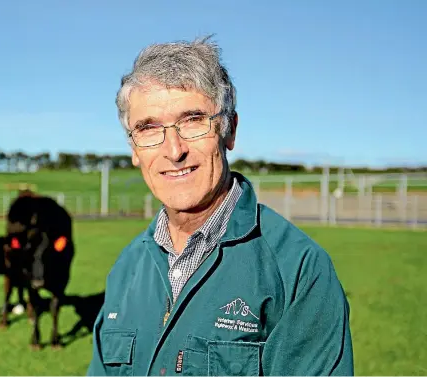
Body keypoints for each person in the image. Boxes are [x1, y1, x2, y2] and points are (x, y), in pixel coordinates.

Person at [87, 35, 353, 376]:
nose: (173, 150)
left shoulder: (298, 270)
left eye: (193, 120)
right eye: (149, 128)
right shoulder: (126, 268)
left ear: (229, 131)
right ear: (135, 150)